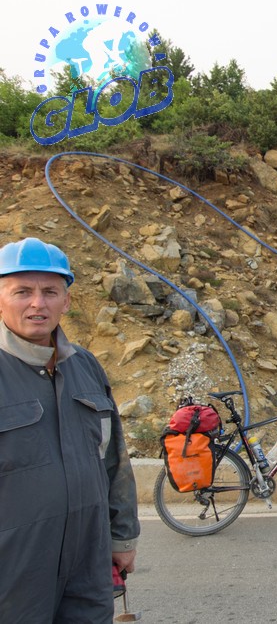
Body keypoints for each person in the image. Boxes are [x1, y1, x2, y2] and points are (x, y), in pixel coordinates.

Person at [0, 237, 139, 623]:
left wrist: (122, 536)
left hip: (88, 563)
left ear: (66, 301)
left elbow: (113, 460)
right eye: (22, 292)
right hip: (13, 570)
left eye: (50, 292)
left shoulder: (86, 366)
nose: (37, 304)